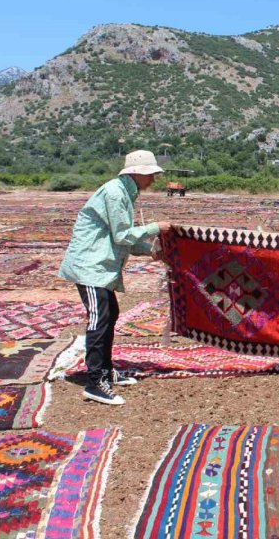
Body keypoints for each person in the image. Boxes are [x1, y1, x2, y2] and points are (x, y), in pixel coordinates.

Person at [59, 150, 171, 406]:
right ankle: (95, 382)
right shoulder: (115, 193)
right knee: (99, 319)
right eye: (150, 174)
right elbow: (122, 235)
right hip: (90, 266)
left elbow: (122, 239)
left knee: (109, 314)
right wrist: (156, 228)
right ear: (136, 173)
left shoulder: (123, 192)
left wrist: (151, 251)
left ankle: (106, 372)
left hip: (100, 266)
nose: (153, 179)